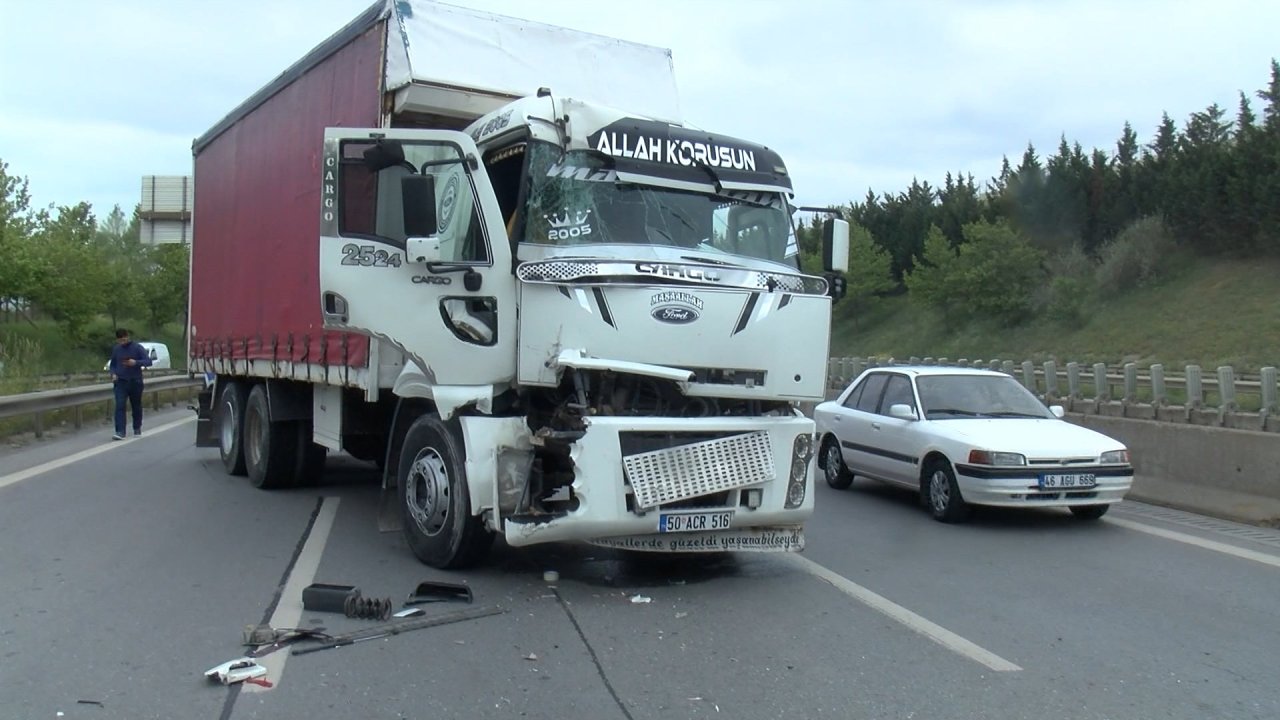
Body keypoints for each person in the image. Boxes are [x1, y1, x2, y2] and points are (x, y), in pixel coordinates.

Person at [109, 328, 152, 440]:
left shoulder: (137, 348)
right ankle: (120, 431)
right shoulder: (116, 349)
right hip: (121, 382)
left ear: (128, 337)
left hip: (135, 382)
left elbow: (148, 361)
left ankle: (137, 427)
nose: (122, 342)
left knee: (136, 405)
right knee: (120, 405)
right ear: (117, 340)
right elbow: (112, 364)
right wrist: (113, 373)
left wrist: (136, 363)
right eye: (120, 340)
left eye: (124, 339)